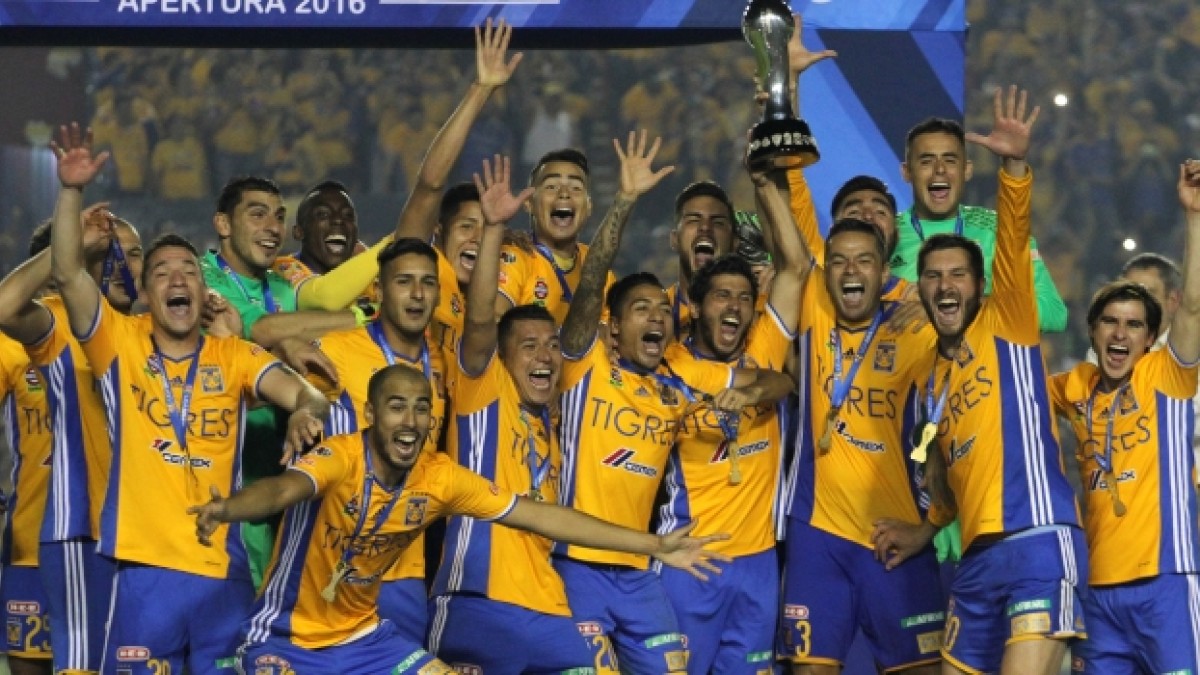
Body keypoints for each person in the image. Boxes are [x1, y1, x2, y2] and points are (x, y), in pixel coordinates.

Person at [191, 364, 728, 675]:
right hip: (284, 639)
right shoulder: (340, 457)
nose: (411, 420)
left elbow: (543, 517)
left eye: (421, 407)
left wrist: (652, 545)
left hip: (363, 638)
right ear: (371, 414)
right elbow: (283, 489)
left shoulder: (440, 477)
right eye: (396, 406)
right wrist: (227, 508)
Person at [47, 123, 331, 675]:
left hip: (223, 576)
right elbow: (66, 273)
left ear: (204, 292)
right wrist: (71, 191)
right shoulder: (118, 343)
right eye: (162, 272)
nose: (177, 279)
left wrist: (305, 412)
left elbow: (307, 393)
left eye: (187, 272)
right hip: (141, 573)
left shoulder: (234, 356)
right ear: (148, 293)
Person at [553, 131, 794, 671]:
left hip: (655, 565)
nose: (657, 317)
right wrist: (625, 199)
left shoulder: (681, 379)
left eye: (661, 310)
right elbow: (590, 286)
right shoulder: (593, 367)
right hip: (585, 561)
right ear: (613, 327)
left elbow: (780, 382)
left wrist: (752, 391)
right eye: (641, 309)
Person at [887, 87, 1086, 675]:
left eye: (958, 275)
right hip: (975, 557)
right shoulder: (929, 378)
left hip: (1037, 540)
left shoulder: (1009, 319)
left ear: (981, 285)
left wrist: (1014, 167)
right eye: (932, 277)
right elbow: (943, 474)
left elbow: (1015, 232)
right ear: (918, 288)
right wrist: (925, 530)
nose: (945, 286)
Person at [427, 154, 608, 671]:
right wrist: (492, 230)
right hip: (477, 601)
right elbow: (482, 320)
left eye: (550, 346)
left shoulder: (553, 416)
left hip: (547, 603)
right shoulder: (484, 392)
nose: (544, 356)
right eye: (528, 346)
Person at [1047, 160, 1200, 674]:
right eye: (1109, 322)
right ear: (1092, 332)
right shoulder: (1075, 386)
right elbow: (1015, 391)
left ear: (1152, 336)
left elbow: (1193, 308)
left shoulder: (1166, 376)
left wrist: (1194, 216)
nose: (1120, 333)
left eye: (1135, 325)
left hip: (1166, 583)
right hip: (1098, 594)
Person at [779, 213, 946, 674]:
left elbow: (953, 436)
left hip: (897, 535)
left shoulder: (917, 330)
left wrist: (928, 527)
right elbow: (792, 242)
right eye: (838, 261)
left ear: (884, 271)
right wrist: (767, 180)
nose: (850, 270)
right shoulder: (815, 309)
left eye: (864, 260)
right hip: (818, 535)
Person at [657, 164, 806, 674]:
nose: (735, 307)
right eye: (722, 295)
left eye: (744, 298)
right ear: (697, 307)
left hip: (759, 564)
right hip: (691, 559)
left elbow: (796, 268)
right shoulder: (671, 365)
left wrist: (765, 185)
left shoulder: (764, 347)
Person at [0, 205, 144, 674]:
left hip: (138, 540)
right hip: (46, 535)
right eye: (108, 253)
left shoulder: (159, 335)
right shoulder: (38, 331)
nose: (122, 263)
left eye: (135, 253)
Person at [313, 237, 451, 644]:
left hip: (406, 572)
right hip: (335, 566)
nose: (417, 293)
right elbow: (279, 376)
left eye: (427, 282)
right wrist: (301, 408)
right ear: (377, 290)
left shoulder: (442, 360)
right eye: (403, 281)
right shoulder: (335, 350)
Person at [891, 115, 1069, 333]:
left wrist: (951, 308)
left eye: (950, 160)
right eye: (926, 161)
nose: (940, 169)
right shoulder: (885, 235)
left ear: (967, 170)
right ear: (907, 172)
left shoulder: (998, 230)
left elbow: (1053, 314)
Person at [0, 333, 52, 675]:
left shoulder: (107, 337)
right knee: (27, 663)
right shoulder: (9, 348)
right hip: (29, 542)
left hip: (102, 546)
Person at [664, 180, 736, 339]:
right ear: (675, 239)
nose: (705, 227)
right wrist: (626, 198)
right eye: (693, 220)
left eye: (718, 222)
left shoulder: (750, 316)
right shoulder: (654, 316)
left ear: (734, 243)